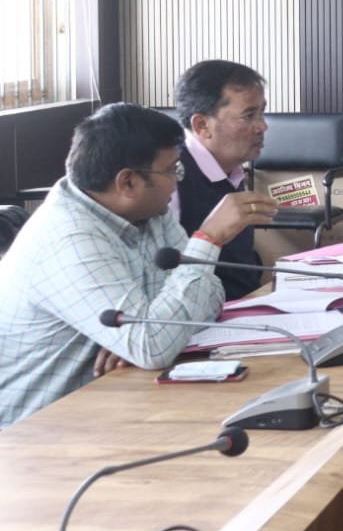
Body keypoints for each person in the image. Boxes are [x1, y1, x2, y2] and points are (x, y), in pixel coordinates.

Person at [0, 103, 279, 428]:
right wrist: (209, 238)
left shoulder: (147, 211)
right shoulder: (69, 238)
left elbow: (211, 295)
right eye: (172, 170)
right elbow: (154, 344)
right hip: (36, 434)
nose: (177, 181)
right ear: (128, 183)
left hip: (111, 403)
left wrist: (151, 334)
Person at [171, 60, 270, 300]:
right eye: (248, 116)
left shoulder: (232, 168)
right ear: (202, 125)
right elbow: (166, 275)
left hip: (246, 304)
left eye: (261, 112)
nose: (262, 126)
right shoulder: (170, 177)